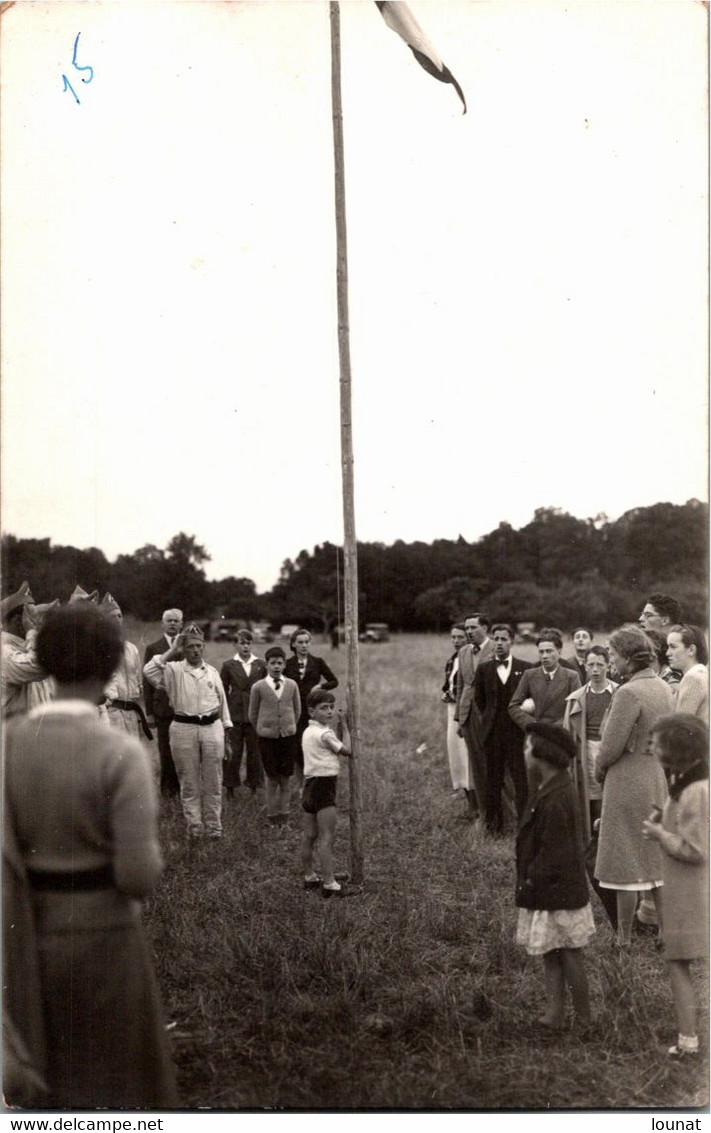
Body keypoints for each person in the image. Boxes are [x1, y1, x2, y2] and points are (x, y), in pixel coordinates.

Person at [3, 603, 177, 1109]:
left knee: (46, 1078)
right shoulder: (119, 752)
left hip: (25, 938)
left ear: (46, 661)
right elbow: (139, 876)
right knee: (114, 1080)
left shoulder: (8, 743)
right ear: (110, 664)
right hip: (107, 937)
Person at [593, 625, 673, 946]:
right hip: (656, 777)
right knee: (655, 862)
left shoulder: (627, 692)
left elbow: (610, 748)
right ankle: (667, 933)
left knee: (625, 864)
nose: (610, 660)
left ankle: (623, 939)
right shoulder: (662, 686)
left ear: (627, 657)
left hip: (627, 780)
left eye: (612, 654)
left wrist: (599, 772)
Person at [515, 722, 594, 1033]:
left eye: (526, 747)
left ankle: (585, 1019)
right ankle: (554, 1013)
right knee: (551, 951)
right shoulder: (551, 786)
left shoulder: (557, 795)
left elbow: (555, 850)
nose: (524, 752)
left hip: (559, 891)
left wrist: (533, 877)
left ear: (541, 754)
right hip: (551, 889)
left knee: (570, 953)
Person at [642, 714, 708, 1059]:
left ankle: (689, 1042)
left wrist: (659, 834)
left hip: (693, 893)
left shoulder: (696, 789)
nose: (651, 747)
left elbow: (696, 849)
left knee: (678, 961)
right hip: (686, 890)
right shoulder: (686, 780)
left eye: (656, 742)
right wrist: (663, 818)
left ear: (676, 747)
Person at [143, 623, 232, 840]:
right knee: (189, 781)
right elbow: (149, 671)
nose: (195, 650)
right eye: (190, 646)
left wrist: (226, 737)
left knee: (213, 781)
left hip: (212, 727)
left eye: (199, 646)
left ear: (204, 647)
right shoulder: (173, 670)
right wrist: (173, 650)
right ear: (184, 647)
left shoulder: (212, 672)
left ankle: (214, 827)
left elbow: (223, 706)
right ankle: (195, 827)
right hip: (184, 728)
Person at [473, 623, 533, 834]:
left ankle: (524, 826)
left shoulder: (526, 668)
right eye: (496, 639)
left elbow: (530, 699)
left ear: (512, 641)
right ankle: (493, 827)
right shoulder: (484, 669)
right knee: (493, 781)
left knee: (521, 780)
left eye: (504, 639)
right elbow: (480, 701)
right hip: (493, 735)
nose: (499, 643)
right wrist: (491, 720)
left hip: (518, 734)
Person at [300, 689, 352, 898]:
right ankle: (330, 884)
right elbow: (347, 750)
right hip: (324, 786)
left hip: (309, 784)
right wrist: (346, 728)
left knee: (310, 835)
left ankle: (310, 876)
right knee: (327, 836)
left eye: (331, 707)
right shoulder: (325, 733)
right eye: (324, 708)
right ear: (311, 712)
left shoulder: (308, 731)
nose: (330, 711)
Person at [563, 645, 617, 841]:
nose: (595, 669)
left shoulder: (619, 694)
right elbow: (568, 733)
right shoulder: (577, 698)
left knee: (611, 794)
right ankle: (591, 840)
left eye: (600, 665)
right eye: (591, 664)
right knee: (591, 795)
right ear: (585, 666)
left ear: (608, 666)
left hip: (611, 750)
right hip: (586, 751)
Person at [249, 646, 301, 826]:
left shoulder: (292, 685)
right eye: (273, 663)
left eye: (280, 663)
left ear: (285, 665)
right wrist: (263, 729)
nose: (276, 666)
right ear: (267, 665)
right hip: (267, 739)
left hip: (288, 737)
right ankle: (272, 818)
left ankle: (284, 817)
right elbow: (253, 714)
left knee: (285, 779)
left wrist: (288, 726)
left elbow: (297, 710)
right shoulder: (258, 687)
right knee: (271, 778)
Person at [284, 629, 338, 786]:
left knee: (313, 745)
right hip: (294, 712)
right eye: (300, 642)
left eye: (306, 642)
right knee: (297, 747)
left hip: (313, 713)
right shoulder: (287, 664)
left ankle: (314, 782)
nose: (304, 645)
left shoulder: (318, 662)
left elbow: (334, 681)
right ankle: (301, 784)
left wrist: (320, 686)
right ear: (293, 644)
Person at [455, 613, 495, 822]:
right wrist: (459, 719)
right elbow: (460, 685)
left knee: (493, 763)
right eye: (467, 628)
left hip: (489, 714)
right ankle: (483, 812)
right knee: (476, 765)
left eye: (473, 628)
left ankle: (502, 811)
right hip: (468, 713)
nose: (469, 632)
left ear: (485, 628)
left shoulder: (496, 648)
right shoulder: (463, 652)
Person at [220, 630, 267, 794]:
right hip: (235, 714)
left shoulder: (260, 665)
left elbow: (266, 690)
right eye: (242, 643)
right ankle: (230, 787)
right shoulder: (228, 665)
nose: (245, 646)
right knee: (233, 752)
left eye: (248, 643)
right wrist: (223, 715)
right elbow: (223, 692)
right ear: (235, 645)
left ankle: (254, 786)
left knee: (255, 753)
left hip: (255, 715)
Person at [100, 593, 152, 742]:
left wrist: (138, 714)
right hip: (111, 712)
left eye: (120, 616)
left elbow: (138, 682)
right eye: (112, 617)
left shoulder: (132, 648)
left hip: (131, 712)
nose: (117, 620)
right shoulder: (99, 648)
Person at [144, 608, 184, 797]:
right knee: (165, 749)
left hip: (184, 707)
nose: (173, 623)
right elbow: (147, 682)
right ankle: (168, 790)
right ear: (162, 624)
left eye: (176, 620)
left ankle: (184, 788)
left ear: (182, 624)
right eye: (169, 620)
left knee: (183, 750)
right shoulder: (153, 648)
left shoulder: (190, 646)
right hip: (163, 708)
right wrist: (149, 712)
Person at [509, 628, 581, 731]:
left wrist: (559, 726)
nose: (544, 656)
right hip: (536, 733)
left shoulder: (572, 676)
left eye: (549, 651)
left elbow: (576, 708)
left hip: (561, 733)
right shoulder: (529, 675)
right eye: (541, 652)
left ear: (559, 651)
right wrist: (532, 723)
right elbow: (513, 706)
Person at [1, 583, 52, 718]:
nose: (37, 625)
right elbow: (40, 665)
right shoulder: (4, 653)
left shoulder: (25, 649)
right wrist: (31, 631)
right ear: (20, 621)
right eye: (33, 620)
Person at [441, 623, 472, 807]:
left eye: (460, 637)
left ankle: (476, 805)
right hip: (452, 709)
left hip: (466, 710)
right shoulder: (453, 659)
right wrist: (446, 693)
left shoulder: (471, 659)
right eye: (453, 637)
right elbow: (448, 684)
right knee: (457, 755)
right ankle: (467, 799)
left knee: (467, 754)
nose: (456, 641)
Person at [667, 624, 709, 723]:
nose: (667, 653)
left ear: (691, 650)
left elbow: (681, 725)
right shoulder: (701, 673)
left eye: (673, 647)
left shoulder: (693, 677)